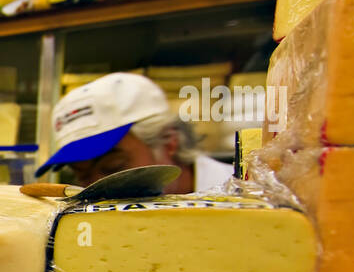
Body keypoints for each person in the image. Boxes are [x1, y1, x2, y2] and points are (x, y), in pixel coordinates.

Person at [34, 72, 231, 193]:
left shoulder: (248, 200)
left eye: (114, 168)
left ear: (170, 141)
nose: (96, 190)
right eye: (82, 176)